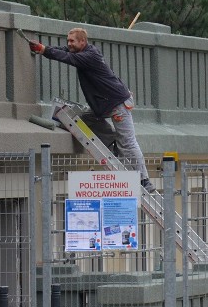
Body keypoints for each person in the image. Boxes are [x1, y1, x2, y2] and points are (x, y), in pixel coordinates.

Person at [29, 28, 156, 193]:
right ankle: (114, 144)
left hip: (117, 104)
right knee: (81, 118)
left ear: (82, 41)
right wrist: (43, 48)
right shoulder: (82, 51)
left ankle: (144, 180)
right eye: (68, 41)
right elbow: (63, 51)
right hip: (102, 106)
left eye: (72, 41)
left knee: (129, 143)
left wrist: (43, 50)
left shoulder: (89, 56)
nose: (69, 44)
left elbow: (66, 57)